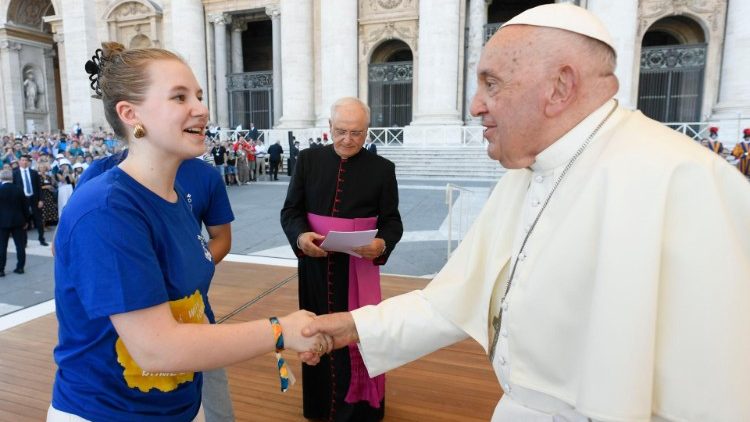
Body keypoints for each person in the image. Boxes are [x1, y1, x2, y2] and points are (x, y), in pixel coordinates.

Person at [301, 4, 750, 421]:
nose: (475, 105)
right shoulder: (524, 174)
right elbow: (450, 301)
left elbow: (716, 391)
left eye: (491, 83)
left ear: (559, 88)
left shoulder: (686, 181)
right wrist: (350, 326)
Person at [49, 42, 330, 422]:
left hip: (178, 405)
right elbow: (156, 348)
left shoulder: (174, 195)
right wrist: (281, 331)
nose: (201, 108)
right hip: (110, 413)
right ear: (130, 114)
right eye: (179, 97)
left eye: (198, 95)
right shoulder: (107, 209)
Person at [280, 97, 403, 421]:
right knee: (314, 330)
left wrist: (382, 243)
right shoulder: (307, 161)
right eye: (341, 131)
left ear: (367, 132)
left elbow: (392, 221)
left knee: (358, 334)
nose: (348, 139)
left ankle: (358, 408)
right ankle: (319, 406)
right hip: (315, 266)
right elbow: (291, 211)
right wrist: (300, 237)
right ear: (329, 128)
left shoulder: (382, 169)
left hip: (357, 267)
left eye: (357, 133)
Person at [0, 169, 30, 277]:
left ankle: (1, 269)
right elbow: (25, 207)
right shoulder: (18, 189)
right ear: (11, 178)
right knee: (20, 245)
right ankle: (20, 267)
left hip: (2, 222)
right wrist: (26, 220)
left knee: (2, 246)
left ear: (1, 178)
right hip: (18, 221)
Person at [13, 155, 48, 246]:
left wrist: (41, 200)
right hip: (22, 200)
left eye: (26, 160)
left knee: (39, 221)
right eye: (22, 160)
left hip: (34, 199)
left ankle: (42, 239)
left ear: (28, 162)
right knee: (24, 222)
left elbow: (39, 187)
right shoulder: (15, 173)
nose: (24, 162)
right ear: (19, 162)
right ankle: (24, 241)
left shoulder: (34, 173)